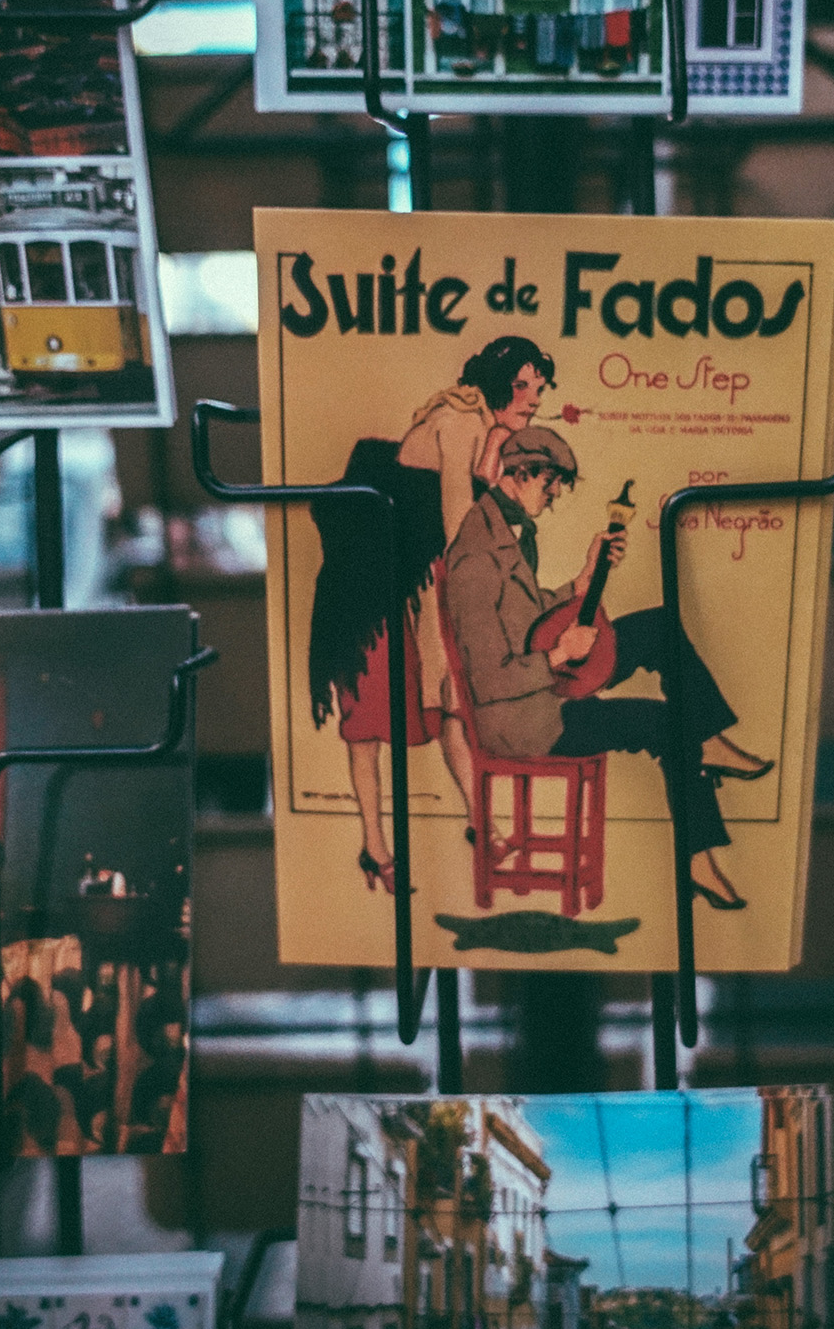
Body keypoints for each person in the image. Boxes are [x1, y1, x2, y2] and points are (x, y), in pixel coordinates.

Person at [441, 425, 770, 910]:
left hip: (542, 686)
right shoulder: (475, 556)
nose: (555, 494)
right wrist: (559, 655)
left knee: (658, 627)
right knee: (666, 724)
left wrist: (583, 580)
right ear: (523, 472)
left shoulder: (500, 531)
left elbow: (522, 616)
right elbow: (486, 679)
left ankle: (707, 739)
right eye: (551, 482)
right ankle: (698, 858)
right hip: (526, 720)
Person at [310, 336, 554, 893]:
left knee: (451, 699)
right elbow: (458, 518)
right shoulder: (459, 421)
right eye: (522, 386)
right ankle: (375, 845)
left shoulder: (487, 428)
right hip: (372, 588)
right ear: (495, 384)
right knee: (368, 717)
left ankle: (480, 823)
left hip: (416, 577)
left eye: (538, 388)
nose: (533, 399)